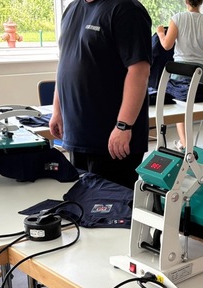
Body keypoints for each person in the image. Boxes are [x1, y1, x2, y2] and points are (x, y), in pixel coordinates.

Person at [49, 0, 152, 190]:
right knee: (81, 204)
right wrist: (57, 110)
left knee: (112, 211)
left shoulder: (126, 9)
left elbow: (139, 71)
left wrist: (123, 125)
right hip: (78, 134)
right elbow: (64, 62)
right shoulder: (72, 9)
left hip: (112, 139)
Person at [156, 0, 203, 151]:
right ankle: (186, 143)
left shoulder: (177, 18)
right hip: (200, 69)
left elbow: (166, 45)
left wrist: (160, 33)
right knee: (192, 107)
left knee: (180, 108)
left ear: (186, 1)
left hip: (181, 68)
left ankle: (185, 144)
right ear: (202, 2)